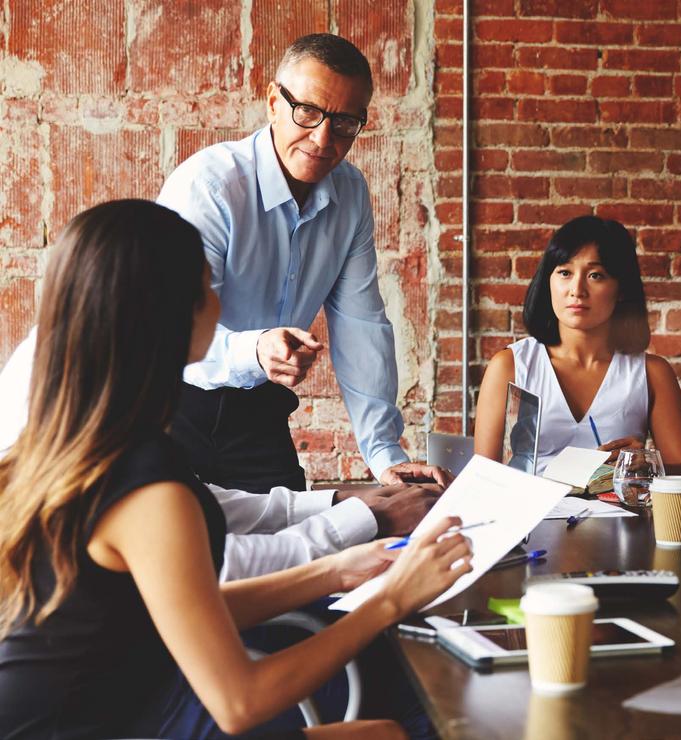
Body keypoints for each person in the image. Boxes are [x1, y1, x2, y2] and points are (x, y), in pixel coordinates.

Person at [0, 200, 472, 738]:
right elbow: (239, 702)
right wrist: (392, 599)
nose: (218, 304)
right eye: (207, 288)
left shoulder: (69, 442)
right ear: (171, 314)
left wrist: (336, 570)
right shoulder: (146, 487)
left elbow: (177, 607)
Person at [156, 33, 445, 493]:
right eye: (307, 111)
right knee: (179, 556)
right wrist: (254, 350)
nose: (323, 138)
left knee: (298, 546)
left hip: (260, 414)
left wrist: (385, 453)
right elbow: (170, 330)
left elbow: (361, 324)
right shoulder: (209, 186)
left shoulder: (350, 196)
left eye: (345, 121)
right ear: (273, 101)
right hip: (169, 408)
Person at [0, 331, 440, 580]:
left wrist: (347, 502)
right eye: (208, 288)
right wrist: (364, 527)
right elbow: (207, 566)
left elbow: (196, 508)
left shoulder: (98, 362)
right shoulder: (100, 389)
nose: (219, 308)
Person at [474, 215, 681, 479]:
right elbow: (483, 479)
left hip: (622, 518)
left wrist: (646, 464)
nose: (577, 290)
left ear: (621, 289)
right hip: (537, 516)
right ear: (548, 280)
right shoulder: (511, 366)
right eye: (564, 272)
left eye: (596, 275)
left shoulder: (651, 372)